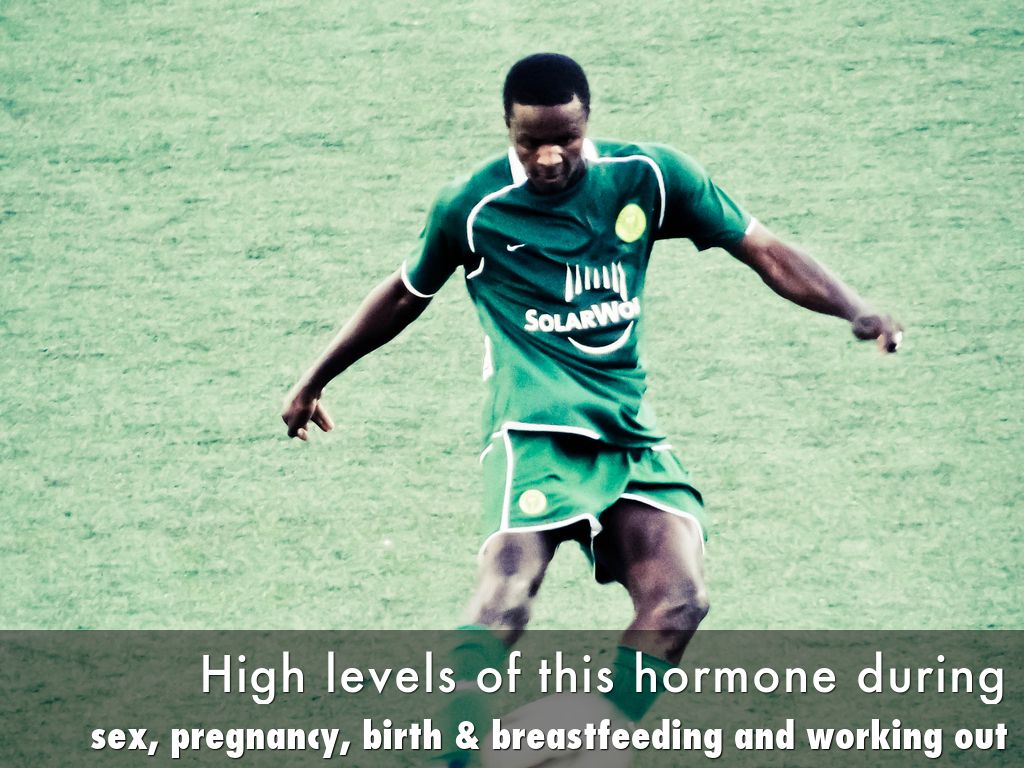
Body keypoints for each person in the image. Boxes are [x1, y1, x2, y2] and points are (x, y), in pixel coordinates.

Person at [282, 53, 902, 764]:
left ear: (588, 123)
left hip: (626, 430)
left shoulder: (649, 178)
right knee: (508, 593)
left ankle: (588, 736)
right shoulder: (473, 207)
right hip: (532, 431)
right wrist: (315, 379)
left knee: (681, 599)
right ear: (507, 130)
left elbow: (763, 249)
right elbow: (403, 294)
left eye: (566, 139)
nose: (549, 157)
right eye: (530, 143)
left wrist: (853, 308)